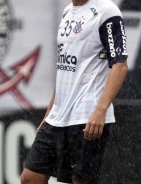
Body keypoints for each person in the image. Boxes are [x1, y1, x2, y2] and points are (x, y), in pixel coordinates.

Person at [20, 0, 128, 183]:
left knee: (80, 181)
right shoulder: (68, 11)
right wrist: (49, 114)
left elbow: (120, 65)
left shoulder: (107, 12)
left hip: (87, 115)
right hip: (58, 116)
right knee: (30, 178)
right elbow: (65, 67)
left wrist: (100, 110)